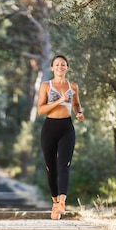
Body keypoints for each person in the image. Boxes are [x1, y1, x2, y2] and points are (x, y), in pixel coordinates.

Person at [37, 54, 84, 219]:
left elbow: (76, 104)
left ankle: (62, 204)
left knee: (64, 165)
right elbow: (40, 110)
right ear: (52, 67)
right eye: (57, 65)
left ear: (67, 68)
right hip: (49, 128)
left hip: (66, 128)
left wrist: (79, 113)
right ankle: (55, 202)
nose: (60, 67)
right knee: (51, 168)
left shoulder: (73, 86)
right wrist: (60, 101)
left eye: (63, 65)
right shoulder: (45, 85)